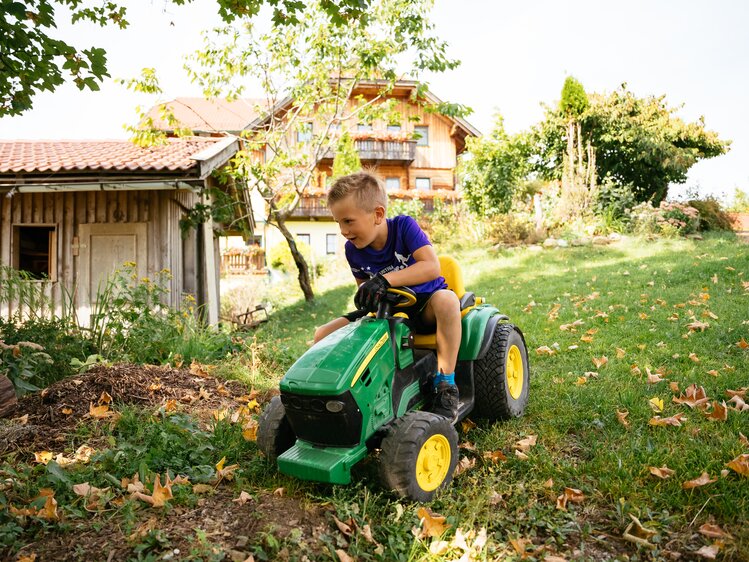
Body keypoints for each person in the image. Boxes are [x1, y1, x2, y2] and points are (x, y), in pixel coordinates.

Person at [313, 171, 461, 422]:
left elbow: (431, 266)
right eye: (338, 222)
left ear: (378, 215)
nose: (343, 230)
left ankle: (445, 384)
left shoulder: (404, 227)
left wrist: (384, 280)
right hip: (387, 312)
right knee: (322, 334)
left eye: (348, 221)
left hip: (425, 307)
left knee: (447, 300)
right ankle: (330, 395)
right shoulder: (353, 250)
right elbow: (364, 289)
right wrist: (364, 296)